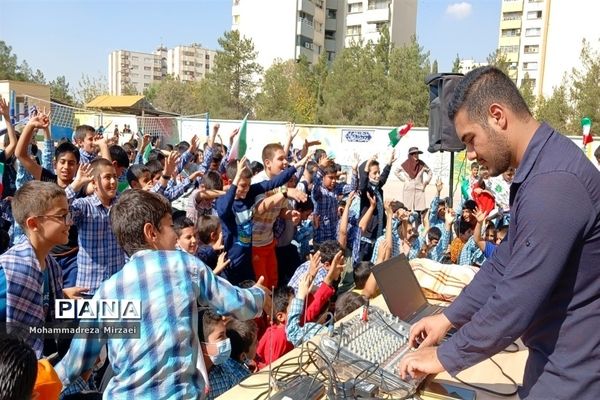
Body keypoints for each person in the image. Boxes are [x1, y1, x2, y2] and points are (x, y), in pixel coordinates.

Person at [398, 66, 600, 399]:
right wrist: (448, 318)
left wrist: (444, 356)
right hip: (555, 360)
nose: (471, 154)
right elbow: (501, 265)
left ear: (497, 116)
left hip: (574, 374)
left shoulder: (554, 184)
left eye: (470, 140)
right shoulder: (541, 168)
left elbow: (516, 299)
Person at [55, 189, 269, 399]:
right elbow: (237, 304)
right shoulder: (183, 265)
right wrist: (260, 295)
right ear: (151, 233)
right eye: (169, 225)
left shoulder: (108, 291)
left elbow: (75, 362)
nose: (175, 233)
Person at [0, 182, 68, 358]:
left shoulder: (52, 267)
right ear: (33, 224)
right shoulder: (11, 272)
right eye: (62, 216)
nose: (69, 222)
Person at [394, 147, 432, 211]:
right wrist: (404, 180)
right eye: (414, 154)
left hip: (419, 190)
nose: (416, 155)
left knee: (420, 211)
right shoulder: (405, 164)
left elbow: (430, 172)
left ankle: (418, 221)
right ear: (410, 155)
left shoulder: (422, 164)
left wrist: (426, 181)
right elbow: (396, 171)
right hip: (408, 189)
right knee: (407, 210)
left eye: (417, 154)